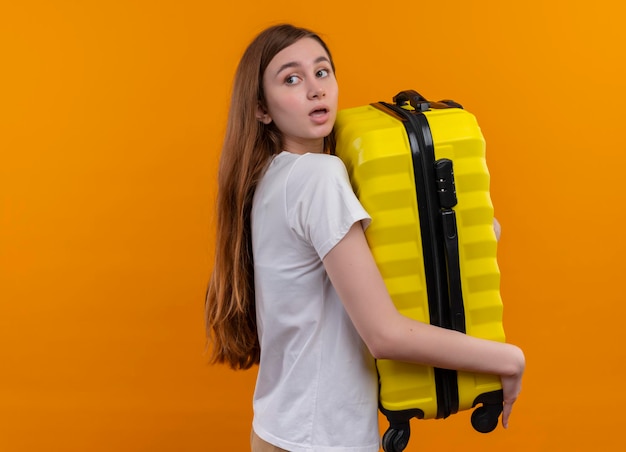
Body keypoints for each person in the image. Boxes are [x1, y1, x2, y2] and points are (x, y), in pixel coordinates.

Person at [205, 24, 525, 452]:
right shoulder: (319, 177)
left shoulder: (273, 178)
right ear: (262, 109)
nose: (315, 90)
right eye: (292, 79)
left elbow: (378, 277)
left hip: (280, 430)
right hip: (319, 441)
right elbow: (385, 334)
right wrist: (507, 358)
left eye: (322, 72)